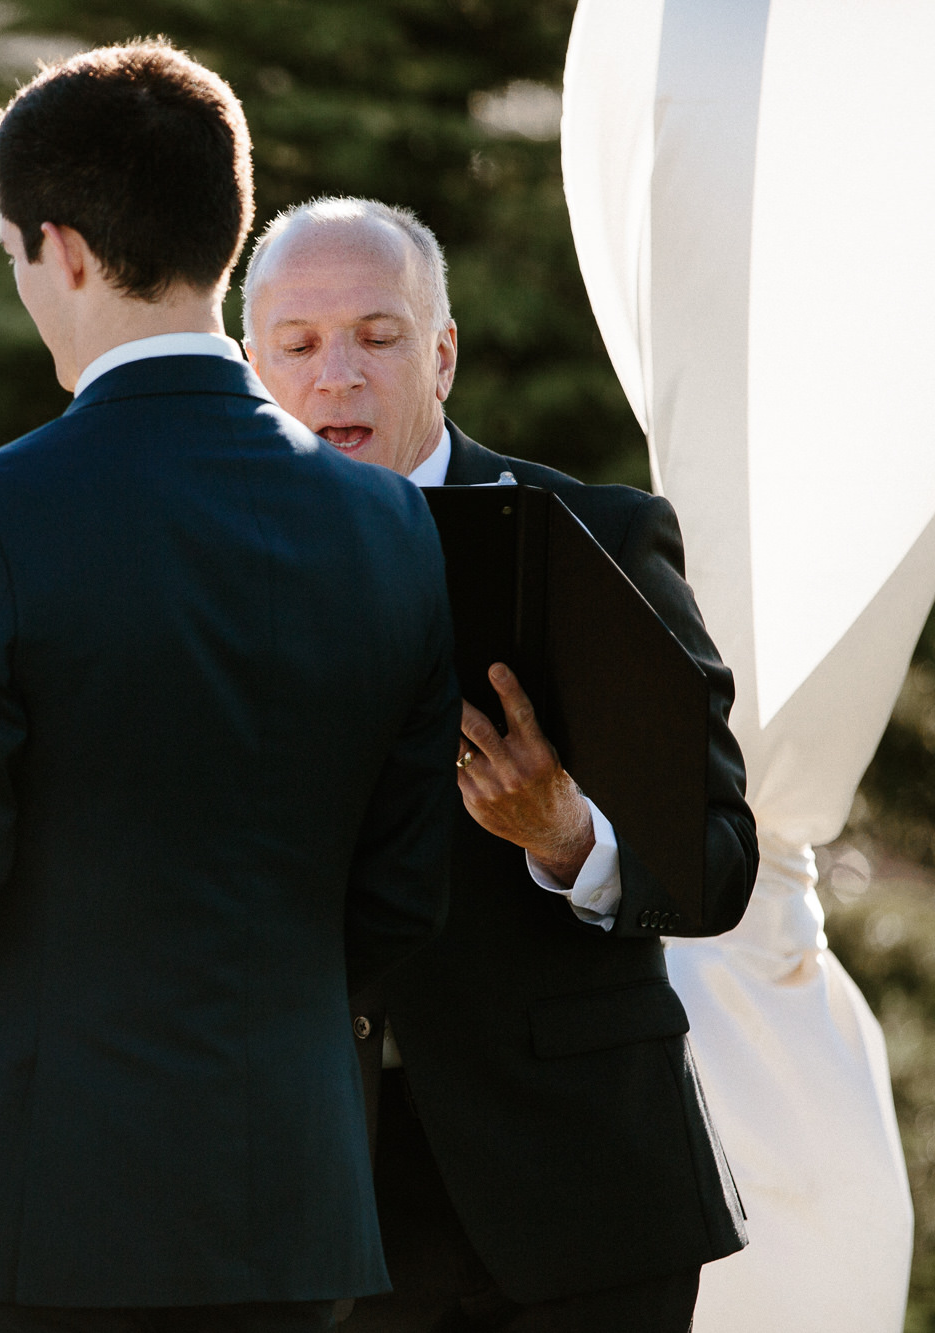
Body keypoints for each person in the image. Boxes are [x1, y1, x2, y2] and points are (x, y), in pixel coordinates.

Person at [0, 43, 462, 1333]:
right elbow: (400, 883)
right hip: (283, 1203)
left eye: (16, 256)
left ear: (58, 249)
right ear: (224, 236)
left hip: (34, 1199)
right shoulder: (385, 522)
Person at [240, 197, 759, 1333]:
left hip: (577, 1194)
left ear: (441, 352)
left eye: (376, 336)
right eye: (298, 343)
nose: (337, 375)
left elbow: (716, 865)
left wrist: (569, 838)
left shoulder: (598, 536)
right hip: (311, 1206)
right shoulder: (197, 572)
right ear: (249, 366)